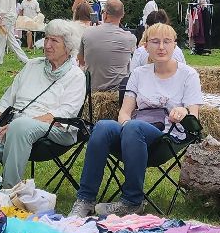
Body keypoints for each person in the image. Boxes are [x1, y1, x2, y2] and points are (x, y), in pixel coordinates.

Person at [71, 22, 202, 217]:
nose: (161, 47)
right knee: (103, 126)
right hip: (134, 133)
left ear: (175, 45)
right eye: (155, 42)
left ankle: (132, 202)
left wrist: (182, 112)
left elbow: (194, 117)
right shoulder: (139, 74)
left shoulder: (188, 75)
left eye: (167, 42)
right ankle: (85, 200)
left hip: (167, 136)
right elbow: (124, 113)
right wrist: (125, 127)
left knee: (134, 127)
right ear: (146, 46)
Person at [0, 18, 86, 187]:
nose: (47, 45)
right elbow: (5, 101)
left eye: (54, 41)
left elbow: (65, 114)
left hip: (56, 130)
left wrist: (21, 124)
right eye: (46, 38)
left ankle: (9, 192)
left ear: (68, 47)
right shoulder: (32, 66)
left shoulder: (76, 76)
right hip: (13, 128)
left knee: (20, 126)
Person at [79, 0, 138, 94]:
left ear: (105, 14)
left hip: (92, 93)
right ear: (122, 15)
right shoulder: (130, 38)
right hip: (119, 94)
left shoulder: (87, 32)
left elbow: (81, 61)